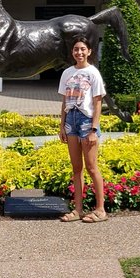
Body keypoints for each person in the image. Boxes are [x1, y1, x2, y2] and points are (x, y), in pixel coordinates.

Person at [58, 37, 106, 223]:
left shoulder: (93, 73)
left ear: (89, 51)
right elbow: (63, 101)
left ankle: (100, 209)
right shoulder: (67, 73)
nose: (79, 52)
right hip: (71, 120)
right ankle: (77, 210)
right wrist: (62, 125)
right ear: (72, 52)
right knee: (76, 168)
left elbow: (98, 102)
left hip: (87, 121)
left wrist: (94, 128)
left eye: (83, 49)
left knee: (92, 167)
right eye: (76, 49)